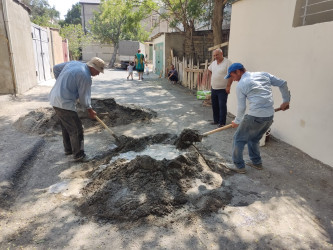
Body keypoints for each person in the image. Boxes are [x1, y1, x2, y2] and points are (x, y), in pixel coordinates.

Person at [224, 63, 290, 174]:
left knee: (238, 139)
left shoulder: (241, 85)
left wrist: (237, 121)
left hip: (255, 116)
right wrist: (286, 100)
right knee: (253, 139)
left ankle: (239, 166)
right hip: (269, 117)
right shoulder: (263, 75)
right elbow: (282, 83)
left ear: (238, 72)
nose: (233, 79)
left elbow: (241, 107)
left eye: (232, 76)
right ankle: (256, 163)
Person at [49, 57, 106, 162]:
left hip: (54, 98)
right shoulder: (85, 76)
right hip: (64, 102)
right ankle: (79, 155)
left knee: (67, 127)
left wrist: (62, 84)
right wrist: (90, 110)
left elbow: (56, 68)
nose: (98, 74)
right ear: (92, 67)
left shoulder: (74, 63)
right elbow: (84, 98)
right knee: (76, 129)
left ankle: (69, 150)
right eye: (98, 71)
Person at [208, 49, 233, 128]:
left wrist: (228, 86)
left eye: (217, 55)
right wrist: (213, 78)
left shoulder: (227, 62)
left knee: (222, 105)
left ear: (221, 53)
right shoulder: (214, 63)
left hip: (223, 89)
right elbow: (209, 70)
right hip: (214, 88)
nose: (215, 57)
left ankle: (222, 122)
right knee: (214, 105)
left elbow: (231, 75)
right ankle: (216, 120)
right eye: (214, 55)